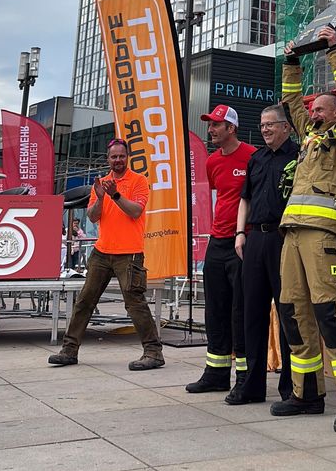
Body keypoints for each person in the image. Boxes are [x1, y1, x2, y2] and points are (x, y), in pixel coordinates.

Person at [271, 26, 336, 433]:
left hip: (323, 238)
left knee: (331, 314)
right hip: (292, 233)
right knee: (293, 313)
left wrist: (335, 51)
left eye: (322, 108)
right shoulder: (310, 138)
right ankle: (306, 393)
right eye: (313, 109)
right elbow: (290, 100)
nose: (313, 112)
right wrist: (292, 60)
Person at [48, 138, 164, 371]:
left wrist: (116, 195)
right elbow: (92, 216)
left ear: (127, 157)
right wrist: (101, 197)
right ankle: (69, 350)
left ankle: (153, 352)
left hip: (129, 254)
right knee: (84, 301)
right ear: (107, 158)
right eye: (114, 157)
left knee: (135, 304)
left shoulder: (139, 181)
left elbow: (136, 211)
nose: (118, 160)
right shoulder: (101, 183)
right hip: (102, 252)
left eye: (121, 156)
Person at [186, 104, 256, 400]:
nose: (211, 130)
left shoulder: (253, 156)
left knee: (239, 312)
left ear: (231, 128)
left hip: (244, 242)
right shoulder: (212, 162)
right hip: (217, 241)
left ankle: (243, 378)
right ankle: (215, 373)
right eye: (210, 124)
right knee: (214, 309)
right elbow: (219, 195)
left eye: (216, 125)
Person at [231, 104, 297, 405]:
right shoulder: (255, 159)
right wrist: (240, 233)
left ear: (286, 126)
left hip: (285, 239)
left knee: (288, 313)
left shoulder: (298, 157)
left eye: (271, 124)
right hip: (255, 238)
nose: (265, 130)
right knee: (252, 312)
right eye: (262, 125)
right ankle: (251, 385)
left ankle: (290, 388)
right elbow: (245, 198)